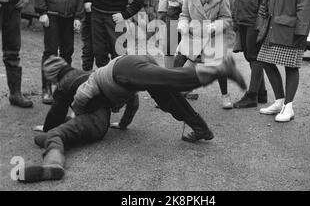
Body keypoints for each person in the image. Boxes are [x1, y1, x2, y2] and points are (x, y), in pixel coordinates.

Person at [17, 54, 246, 183]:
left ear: (54, 76)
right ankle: (201, 129)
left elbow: (77, 98)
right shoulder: (111, 87)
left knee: (170, 79)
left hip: (124, 67)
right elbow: (133, 102)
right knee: (169, 99)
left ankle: (219, 69)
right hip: (130, 71)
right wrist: (123, 124)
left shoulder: (74, 81)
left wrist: (71, 115)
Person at [174, 0, 233, 109]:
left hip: (213, 35)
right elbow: (185, 14)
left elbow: (227, 18)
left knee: (219, 66)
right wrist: (182, 23)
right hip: (193, 33)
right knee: (179, 59)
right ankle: (172, 93)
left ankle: (225, 95)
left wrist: (215, 26)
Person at [232, 0, 271, 109]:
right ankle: (261, 93)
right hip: (242, 17)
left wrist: (260, 21)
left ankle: (252, 95)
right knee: (249, 55)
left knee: (254, 56)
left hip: (255, 18)